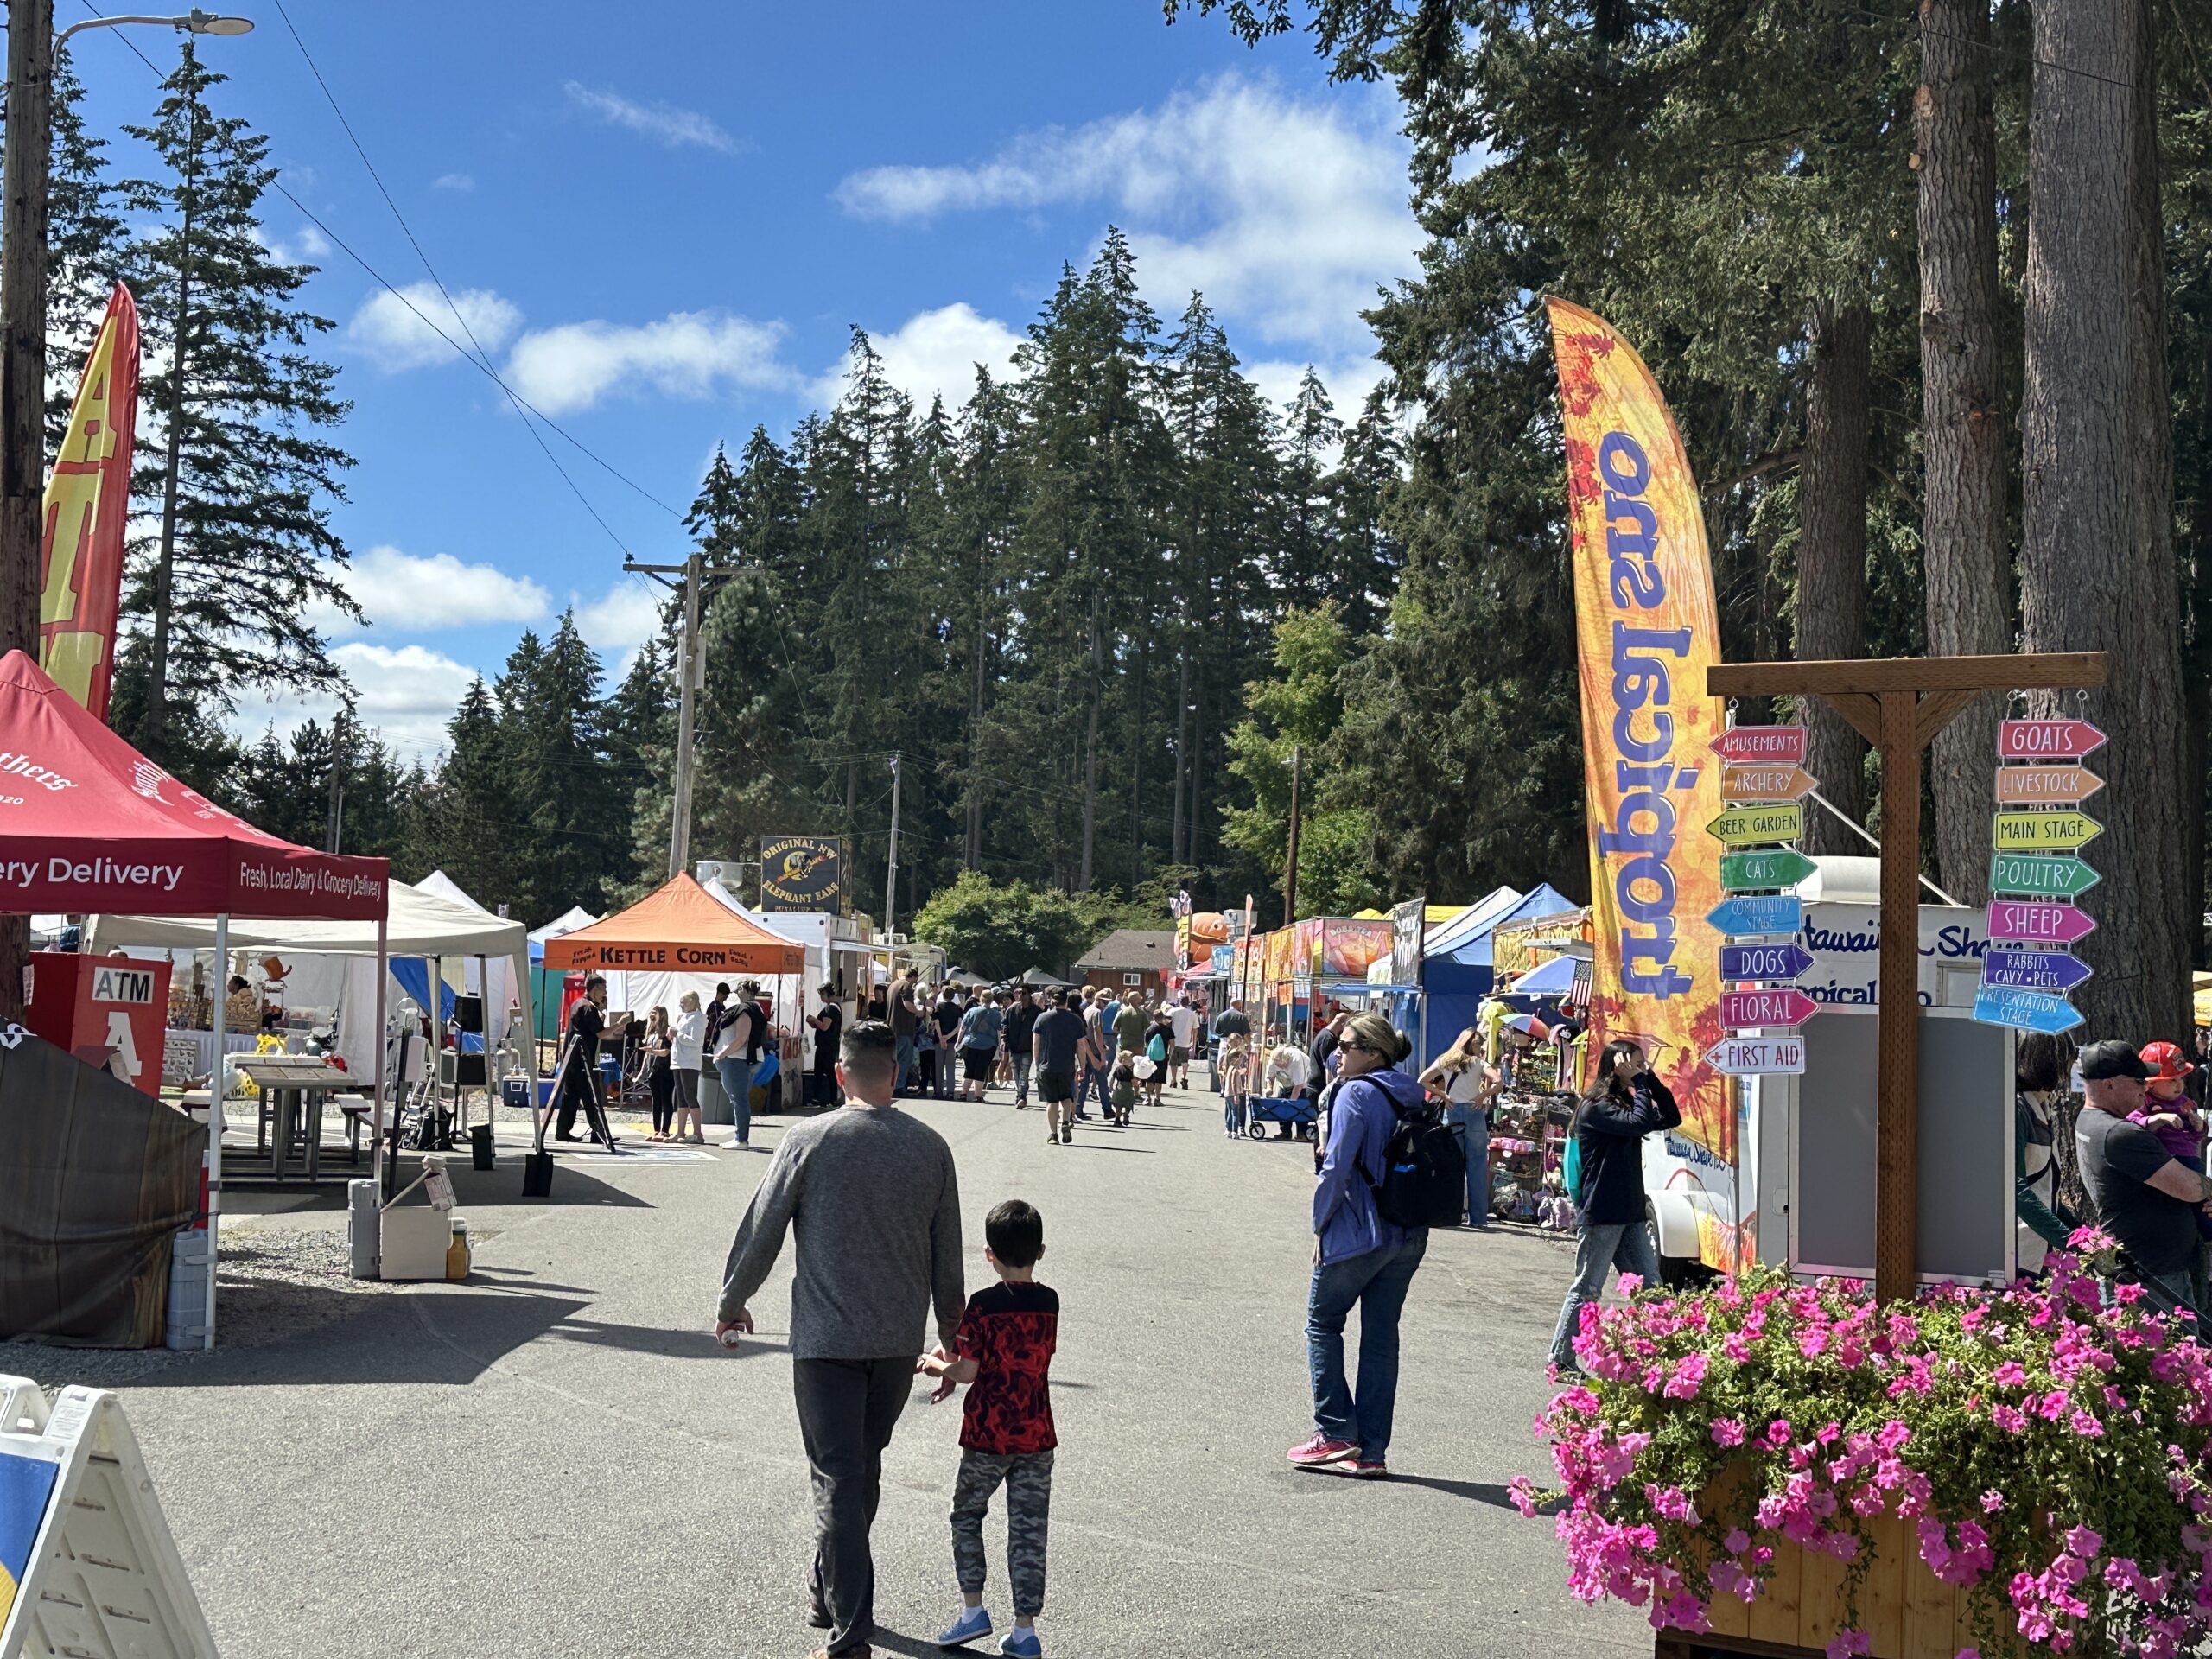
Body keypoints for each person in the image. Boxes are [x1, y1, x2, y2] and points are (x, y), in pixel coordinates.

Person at [716, 1021, 966, 1659]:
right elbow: (948, 1256)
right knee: (860, 1469)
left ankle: (851, 1632)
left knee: (839, 1477)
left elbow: (763, 1226)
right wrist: (953, 1339)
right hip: (895, 1344)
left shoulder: (810, 1139)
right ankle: (827, 1589)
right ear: (896, 1074)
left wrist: (732, 1301)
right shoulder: (932, 1148)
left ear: (839, 1074)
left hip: (826, 1340)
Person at [1290, 1012, 1427, 1480]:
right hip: (1406, 1231)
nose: (1336, 1053)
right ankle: (1371, 1451)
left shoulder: (1356, 1093)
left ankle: (1334, 1432)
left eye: (1346, 1046)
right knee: (1381, 1340)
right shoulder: (1411, 1092)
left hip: (1356, 1229)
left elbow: (1336, 1168)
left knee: (1322, 1325)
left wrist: (1319, 1226)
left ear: (1373, 1053)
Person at [919, 1199, 1058, 1658]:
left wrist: (935, 1365)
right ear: (1039, 1251)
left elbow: (968, 1371)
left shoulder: (982, 1306)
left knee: (967, 1515)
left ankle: (972, 1610)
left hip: (988, 1433)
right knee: (1028, 1529)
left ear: (988, 1254)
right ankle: (1025, 1630)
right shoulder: (1049, 1301)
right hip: (1037, 1433)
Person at [1548, 1039, 1681, 1375]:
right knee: (1588, 1286)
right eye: (1636, 1063)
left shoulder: (1623, 1101)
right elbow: (1637, 1123)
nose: (1641, 1068)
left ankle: (1662, 1358)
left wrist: (1648, 1080)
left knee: (1651, 1287)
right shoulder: (1597, 1106)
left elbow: (1669, 1117)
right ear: (1618, 1064)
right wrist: (1638, 1084)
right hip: (1604, 1212)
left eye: (1642, 1064)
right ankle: (1561, 1359)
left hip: (1630, 1211)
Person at [2075, 1039, 2211, 1317]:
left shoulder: (2089, 1119)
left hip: (2143, 1266)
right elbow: (2191, 1188)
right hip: (2152, 1274)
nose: (2145, 1087)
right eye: (2139, 1081)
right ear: (2109, 1084)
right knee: (2173, 1357)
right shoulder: (2122, 1133)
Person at [1421, 1027, 1503, 1230]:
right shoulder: (1479, 1063)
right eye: (1478, 1044)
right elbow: (1499, 1082)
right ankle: (1477, 1218)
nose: (1480, 1047)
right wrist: (1482, 1096)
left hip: (1452, 1113)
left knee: (1452, 1167)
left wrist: (1442, 1094)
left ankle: (1449, 1213)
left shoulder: (1445, 1060)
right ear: (1472, 1044)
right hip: (1474, 1114)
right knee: (1476, 1168)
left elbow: (1422, 1079)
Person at [2014, 1033, 2077, 1274]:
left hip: (2037, 1251)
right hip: (2014, 1254)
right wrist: (2071, 1242)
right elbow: (2016, 1191)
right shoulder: (2018, 1109)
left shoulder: (2040, 1104)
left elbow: (2043, 1189)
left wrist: (2084, 1235)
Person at [550, 976, 619, 1147]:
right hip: (582, 1059)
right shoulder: (588, 1008)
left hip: (572, 1057)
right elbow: (600, 1033)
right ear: (595, 989)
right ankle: (598, 1133)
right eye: (603, 989)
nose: (605, 993)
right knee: (591, 1096)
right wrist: (620, 1024)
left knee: (571, 1096)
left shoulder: (578, 1004)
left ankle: (563, 1131)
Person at [715, 980, 767, 1151]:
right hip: (744, 1059)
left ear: (744, 990)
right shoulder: (757, 1008)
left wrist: (722, 1054)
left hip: (737, 1059)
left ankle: (741, 1139)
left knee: (739, 1100)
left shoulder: (746, 1010)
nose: (736, 992)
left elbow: (741, 1038)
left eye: (738, 989)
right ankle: (739, 1137)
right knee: (739, 1099)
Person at [1032, 989, 1087, 1147]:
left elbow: (1036, 1042)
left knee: (1051, 1101)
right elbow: (1081, 1046)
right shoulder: (1075, 1020)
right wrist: (1082, 1066)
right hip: (1067, 1065)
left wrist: (1037, 1063)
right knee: (1066, 1096)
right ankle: (1066, 1121)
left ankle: (1053, 1133)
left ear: (1051, 1001)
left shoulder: (1042, 1018)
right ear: (1066, 1001)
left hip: (1047, 1065)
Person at [1262, 1037, 1314, 1141]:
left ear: (1287, 1060)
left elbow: (1298, 1086)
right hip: (1285, 1084)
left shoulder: (1296, 1060)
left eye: (1282, 1065)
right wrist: (1269, 1088)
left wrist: (1291, 1102)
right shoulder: (1273, 1060)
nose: (1281, 1067)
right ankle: (1285, 1131)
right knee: (1282, 1106)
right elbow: (1270, 1077)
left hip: (1302, 1085)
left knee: (1299, 1108)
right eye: (1278, 1066)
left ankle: (1301, 1132)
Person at [671, 990, 706, 1145]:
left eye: (683, 1002)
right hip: (678, 1060)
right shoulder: (684, 1017)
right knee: (681, 1097)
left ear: (692, 1001)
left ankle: (698, 1133)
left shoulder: (699, 1018)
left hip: (690, 1062)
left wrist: (677, 1034)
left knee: (690, 1094)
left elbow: (696, 1041)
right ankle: (680, 1131)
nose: (681, 1005)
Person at [958, 990, 1005, 1103]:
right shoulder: (996, 1014)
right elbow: (999, 1032)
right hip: (988, 1045)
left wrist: (958, 1041)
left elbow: (963, 1028)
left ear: (981, 999)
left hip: (970, 1043)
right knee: (981, 1069)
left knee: (969, 1069)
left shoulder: (972, 1011)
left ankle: (963, 1094)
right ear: (992, 1000)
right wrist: (999, 1047)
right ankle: (978, 1096)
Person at [1003, 988, 1039, 1109]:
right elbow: (1005, 1025)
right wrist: (1005, 1041)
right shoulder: (1013, 1009)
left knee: (1024, 1073)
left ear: (1029, 995)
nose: (1020, 995)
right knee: (1016, 1074)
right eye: (1018, 993)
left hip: (1027, 1048)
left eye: (1023, 993)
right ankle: (1020, 1095)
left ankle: (1021, 1097)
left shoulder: (1036, 1011)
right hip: (1014, 1047)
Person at [810, 984, 844, 1109]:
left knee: (823, 1072)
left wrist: (814, 1019)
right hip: (830, 1044)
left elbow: (825, 1026)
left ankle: (824, 1098)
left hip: (826, 1045)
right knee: (828, 1072)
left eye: (823, 994)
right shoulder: (835, 1008)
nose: (821, 997)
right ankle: (829, 1098)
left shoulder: (830, 1009)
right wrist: (815, 1024)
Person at [644, 1007, 675, 1141]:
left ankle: (665, 1130)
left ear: (661, 1015)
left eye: (654, 1013)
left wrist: (652, 1051)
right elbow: (647, 1055)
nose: (651, 1015)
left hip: (665, 1070)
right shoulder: (651, 1032)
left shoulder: (666, 1031)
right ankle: (656, 1130)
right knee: (656, 1101)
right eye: (650, 1012)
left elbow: (666, 1051)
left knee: (666, 1099)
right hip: (654, 1071)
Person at [891, 969, 922, 1095]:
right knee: (904, 1060)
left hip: (893, 1027)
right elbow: (908, 1004)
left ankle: (891, 1086)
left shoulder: (893, 985)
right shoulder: (906, 985)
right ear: (913, 977)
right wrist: (919, 1011)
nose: (915, 983)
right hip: (904, 1028)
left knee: (893, 1059)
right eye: (916, 979)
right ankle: (899, 1087)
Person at [933, 985, 965, 1102]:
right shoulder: (958, 1009)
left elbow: (936, 1023)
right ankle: (950, 1092)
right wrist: (949, 1037)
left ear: (942, 994)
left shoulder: (938, 1007)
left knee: (939, 1067)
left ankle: (938, 1092)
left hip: (939, 1040)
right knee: (951, 1067)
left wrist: (942, 1038)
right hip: (952, 1041)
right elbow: (959, 1026)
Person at [1219, 1031, 1252, 1137]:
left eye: (1238, 1043)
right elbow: (1221, 1069)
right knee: (1232, 1109)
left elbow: (1246, 1070)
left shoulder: (1243, 1055)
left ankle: (1239, 1127)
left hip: (1239, 1083)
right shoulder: (1227, 1055)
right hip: (1232, 1085)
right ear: (1229, 1043)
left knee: (1239, 1107)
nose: (1237, 1045)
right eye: (1235, 1043)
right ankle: (1231, 1128)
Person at [1142, 1007, 1173, 1107]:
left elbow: (1146, 1044)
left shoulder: (1150, 1029)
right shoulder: (1167, 1029)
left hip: (1150, 1057)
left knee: (1149, 1077)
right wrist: (1170, 1054)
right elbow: (1172, 1043)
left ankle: (1148, 1097)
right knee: (1160, 1078)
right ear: (1162, 1018)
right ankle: (1157, 1099)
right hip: (1162, 1056)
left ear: (1153, 1017)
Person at [1167, 996, 1200, 1090]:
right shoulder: (1192, 1014)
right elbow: (1195, 1029)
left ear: (1179, 1002)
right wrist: (1193, 1044)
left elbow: (1166, 1021)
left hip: (1173, 1040)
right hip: (1186, 1041)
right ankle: (1184, 1078)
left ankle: (1174, 1080)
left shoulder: (1173, 1011)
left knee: (1173, 1062)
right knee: (1184, 1061)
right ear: (1188, 1003)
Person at [1310, 1010, 1351, 1084]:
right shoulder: (1328, 1039)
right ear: (1342, 1024)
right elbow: (1328, 1066)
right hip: (1319, 1085)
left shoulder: (1325, 1034)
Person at [1112, 994, 1147, 1060]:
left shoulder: (1121, 1012)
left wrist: (1121, 1033)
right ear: (1137, 1001)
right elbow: (1147, 1028)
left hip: (1124, 1043)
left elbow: (1114, 1028)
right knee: (1136, 1065)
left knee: (1125, 1064)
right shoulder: (1142, 1013)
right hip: (1138, 1044)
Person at [1109, 1056, 1138, 1128]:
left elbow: (1113, 1077)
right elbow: (1133, 1081)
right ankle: (1126, 1113)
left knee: (1119, 1104)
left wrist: (1111, 1086)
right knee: (1129, 1103)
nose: (1132, 1062)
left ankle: (1117, 1119)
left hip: (1119, 1088)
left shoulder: (1118, 1069)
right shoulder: (1130, 1071)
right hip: (1128, 1088)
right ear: (1124, 1061)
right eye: (1130, 1060)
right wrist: (1136, 1090)